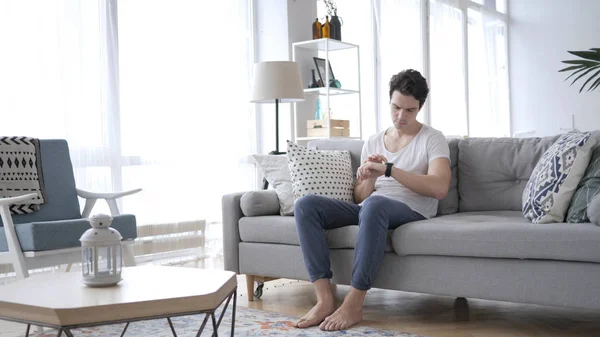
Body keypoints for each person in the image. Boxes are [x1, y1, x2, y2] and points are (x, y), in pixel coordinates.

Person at [293, 69, 451, 331]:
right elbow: (360, 198)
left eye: (409, 110)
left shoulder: (432, 139)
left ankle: (354, 303)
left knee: (376, 205)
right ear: (390, 101)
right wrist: (370, 178)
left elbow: (440, 187)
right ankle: (324, 299)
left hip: (412, 211)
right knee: (306, 205)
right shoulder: (375, 140)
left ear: (420, 107)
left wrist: (389, 170)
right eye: (396, 107)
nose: (401, 116)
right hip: (372, 209)